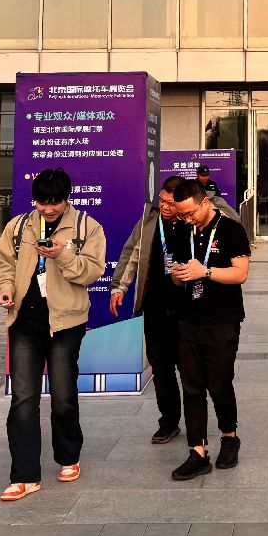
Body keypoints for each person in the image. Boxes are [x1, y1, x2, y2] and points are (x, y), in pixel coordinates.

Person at [0, 168, 107, 503]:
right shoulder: (18, 227)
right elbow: (3, 266)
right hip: (24, 322)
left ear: (67, 198)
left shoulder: (86, 227)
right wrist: (5, 289)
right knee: (23, 398)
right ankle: (24, 475)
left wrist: (63, 255)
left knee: (63, 395)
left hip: (65, 324)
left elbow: (92, 272)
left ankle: (68, 455)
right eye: (42, 202)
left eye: (55, 202)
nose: (48, 208)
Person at [166, 179, 252, 481]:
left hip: (222, 319)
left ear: (205, 202)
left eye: (190, 213)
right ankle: (197, 451)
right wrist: (179, 275)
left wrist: (205, 272)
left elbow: (241, 274)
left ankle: (229, 437)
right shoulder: (182, 230)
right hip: (188, 318)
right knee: (191, 387)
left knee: (219, 383)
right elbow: (175, 274)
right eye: (182, 215)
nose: (187, 219)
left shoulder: (231, 229)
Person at [110, 175, 187, 444]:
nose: (164, 206)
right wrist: (119, 288)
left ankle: (195, 423)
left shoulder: (194, 222)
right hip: (154, 307)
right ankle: (169, 422)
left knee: (189, 368)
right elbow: (130, 254)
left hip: (187, 310)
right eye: (162, 200)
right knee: (161, 368)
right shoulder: (149, 221)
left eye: (171, 203)